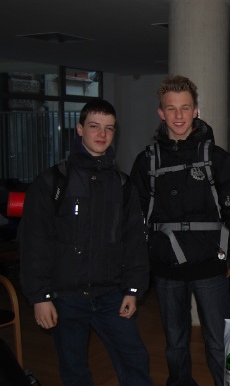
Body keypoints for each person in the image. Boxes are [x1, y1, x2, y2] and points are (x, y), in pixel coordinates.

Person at [19, 99, 153, 386]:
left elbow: (134, 241)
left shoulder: (123, 185)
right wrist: (40, 297)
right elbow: (34, 243)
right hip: (66, 297)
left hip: (112, 296)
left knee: (135, 361)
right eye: (94, 126)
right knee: (74, 371)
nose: (102, 134)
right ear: (80, 129)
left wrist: (133, 289)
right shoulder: (52, 182)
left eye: (109, 128)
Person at [129, 75, 230, 386]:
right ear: (161, 113)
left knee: (218, 342)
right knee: (175, 343)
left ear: (196, 110)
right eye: (171, 108)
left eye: (185, 108)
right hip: (166, 267)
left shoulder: (218, 158)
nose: (178, 116)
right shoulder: (146, 161)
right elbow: (135, 216)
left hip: (209, 266)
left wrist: (223, 252)